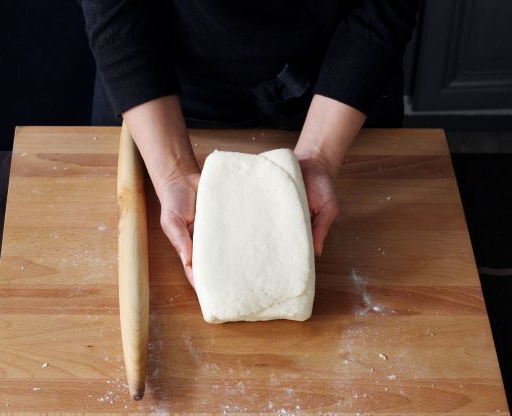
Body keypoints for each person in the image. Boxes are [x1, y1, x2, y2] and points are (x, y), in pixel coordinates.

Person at [79, 1, 419, 285]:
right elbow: (114, 11)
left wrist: (319, 158)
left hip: (344, 78)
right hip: (162, 85)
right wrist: (172, 173)